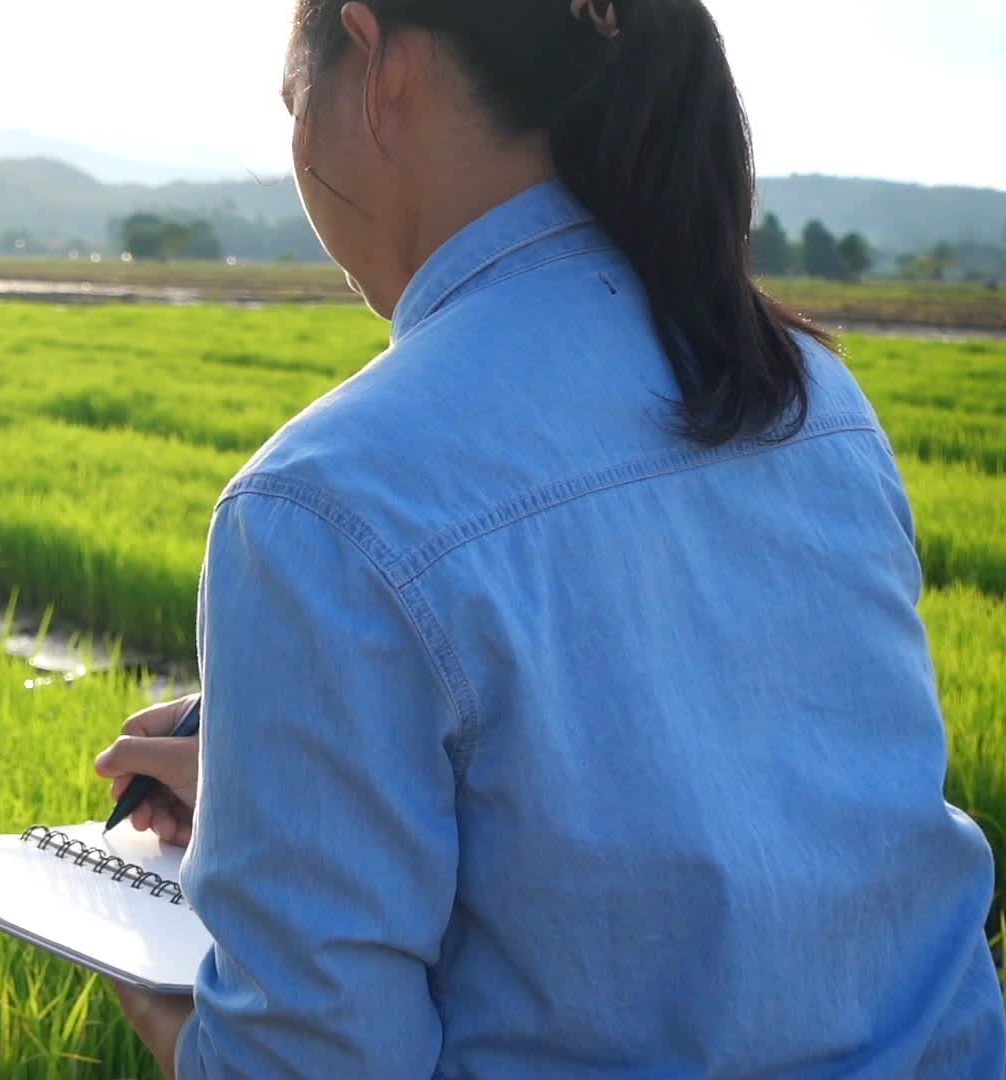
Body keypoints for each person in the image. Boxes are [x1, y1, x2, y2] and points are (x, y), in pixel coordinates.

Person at [91, 1, 1006, 1077]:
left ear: (377, 57)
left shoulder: (324, 501)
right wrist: (286, 783)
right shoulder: (812, 398)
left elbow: (310, 1061)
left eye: (295, 100)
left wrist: (172, 1011)